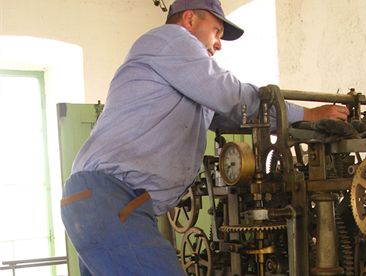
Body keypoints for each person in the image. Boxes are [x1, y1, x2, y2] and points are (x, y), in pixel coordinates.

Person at [60, 0, 349, 275]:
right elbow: (231, 95)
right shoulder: (170, 40)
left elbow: (237, 114)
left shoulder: (184, 77)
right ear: (189, 19)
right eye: (217, 31)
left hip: (103, 202)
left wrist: (289, 122)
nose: (219, 44)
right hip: (109, 197)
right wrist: (307, 115)